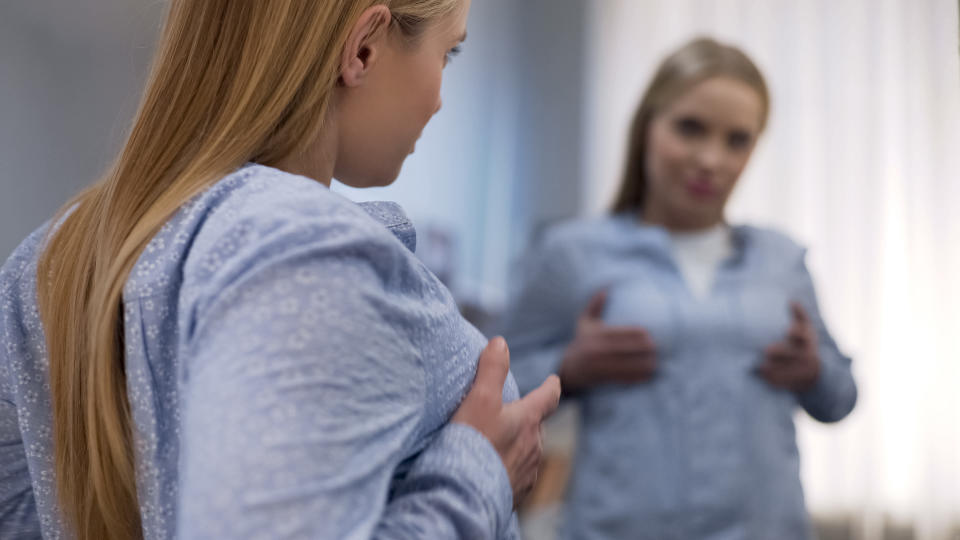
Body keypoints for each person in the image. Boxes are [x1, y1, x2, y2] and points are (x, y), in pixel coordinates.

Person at [0, 1, 561, 538]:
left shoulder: (49, 259)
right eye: (449, 53)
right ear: (363, 49)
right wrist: (477, 474)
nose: (441, 99)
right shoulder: (304, 251)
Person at [502, 37, 857, 540]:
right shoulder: (574, 252)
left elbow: (841, 398)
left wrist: (814, 371)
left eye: (737, 140)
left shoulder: (781, 260)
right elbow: (497, 386)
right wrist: (570, 367)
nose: (711, 159)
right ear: (648, 125)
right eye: (690, 128)